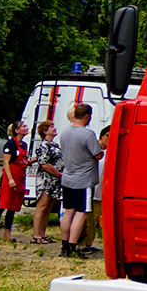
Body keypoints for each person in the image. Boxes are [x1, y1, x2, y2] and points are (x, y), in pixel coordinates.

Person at [58, 103, 104, 259]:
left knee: (68, 212)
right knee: (81, 214)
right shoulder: (87, 134)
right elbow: (98, 155)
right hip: (83, 180)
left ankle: (64, 246)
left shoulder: (65, 131)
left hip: (67, 177)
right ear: (87, 116)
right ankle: (72, 245)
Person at [0, 123, 27, 244]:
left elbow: (21, 161)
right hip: (9, 177)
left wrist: (30, 161)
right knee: (2, 205)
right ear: (17, 130)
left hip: (19, 177)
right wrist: (10, 179)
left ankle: (7, 233)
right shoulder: (10, 144)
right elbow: (6, 163)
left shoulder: (24, 145)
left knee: (13, 207)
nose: (26, 128)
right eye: (24, 126)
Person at [28, 121, 62, 245]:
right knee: (42, 206)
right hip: (46, 178)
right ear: (45, 131)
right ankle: (36, 235)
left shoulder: (55, 145)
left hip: (54, 180)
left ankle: (43, 233)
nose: (54, 128)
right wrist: (58, 174)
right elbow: (44, 163)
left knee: (49, 207)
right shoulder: (43, 145)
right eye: (51, 127)